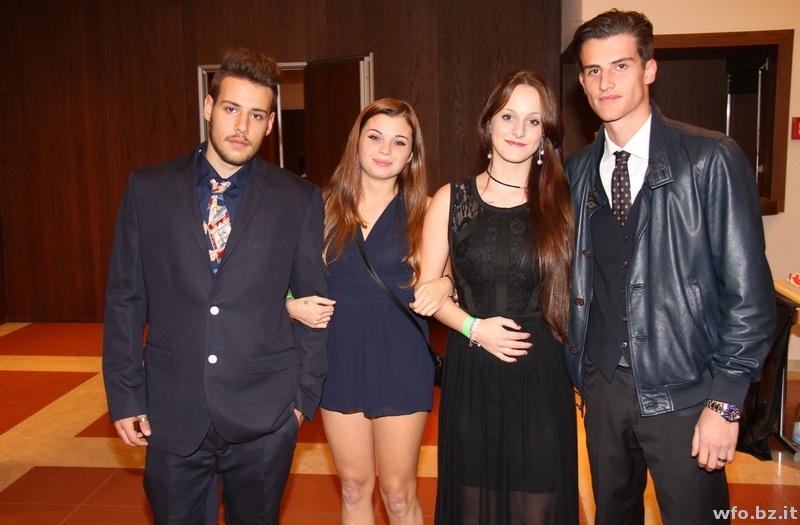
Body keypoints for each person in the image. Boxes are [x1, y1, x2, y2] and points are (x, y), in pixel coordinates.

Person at [564, 10, 776, 524]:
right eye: (593, 70)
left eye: (620, 65)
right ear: (582, 82)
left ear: (649, 69)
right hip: (602, 389)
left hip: (687, 392)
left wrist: (726, 404)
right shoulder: (576, 171)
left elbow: (750, 297)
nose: (606, 82)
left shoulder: (710, 159)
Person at [102, 48, 328, 524]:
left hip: (266, 412)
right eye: (231, 109)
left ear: (271, 124)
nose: (242, 126)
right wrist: (125, 395)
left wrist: (301, 400)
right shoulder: (148, 189)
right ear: (208, 107)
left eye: (257, 115)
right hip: (171, 408)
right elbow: (126, 299)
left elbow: (315, 303)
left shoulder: (299, 199)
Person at [418, 70, 577, 524]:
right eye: (508, 116)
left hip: (541, 372)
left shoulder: (562, 201)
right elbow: (429, 290)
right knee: (473, 502)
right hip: (473, 369)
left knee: (538, 503)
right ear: (488, 123)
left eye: (533, 120)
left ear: (545, 134)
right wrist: (474, 327)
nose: (518, 130)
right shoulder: (451, 199)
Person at [294, 98, 451, 524]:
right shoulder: (321, 208)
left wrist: (445, 283)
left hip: (401, 355)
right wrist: (291, 306)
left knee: (398, 493)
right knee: (353, 487)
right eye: (375, 137)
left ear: (411, 153)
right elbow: (279, 280)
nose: (385, 150)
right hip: (339, 353)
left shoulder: (426, 210)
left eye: (399, 142)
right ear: (357, 143)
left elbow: (447, 281)